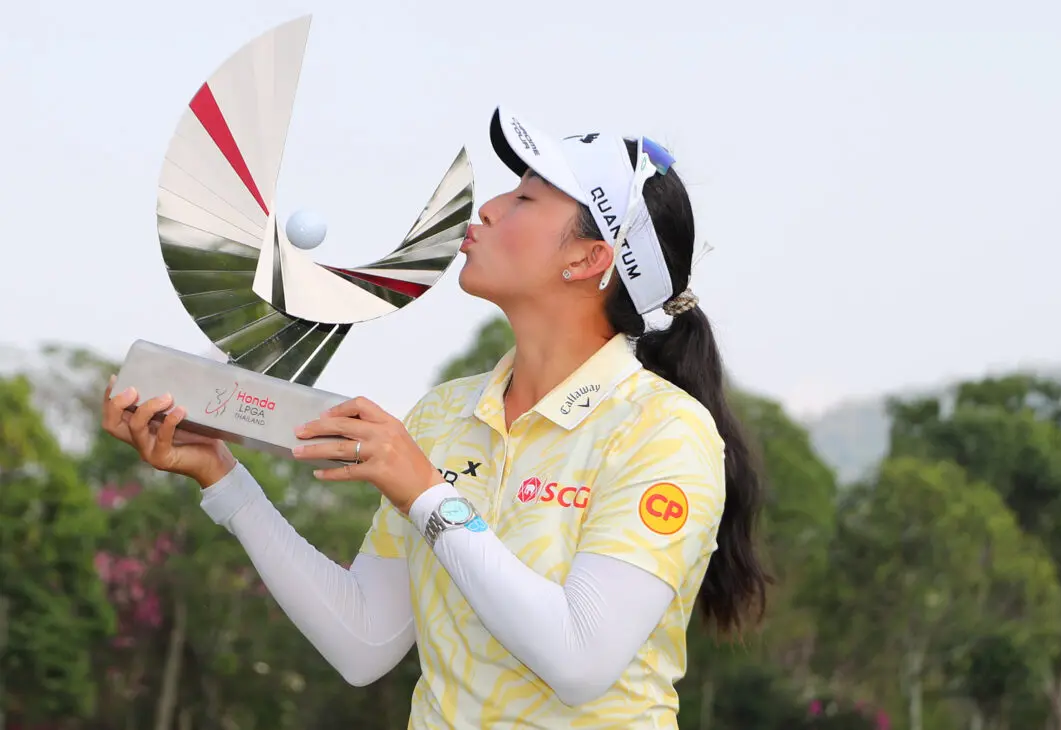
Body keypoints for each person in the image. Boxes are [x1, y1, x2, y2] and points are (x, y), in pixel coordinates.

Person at [101, 106, 770, 729]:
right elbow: (363, 640)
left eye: (525, 199)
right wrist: (222, 477)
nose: (488, 207)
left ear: (589, 258)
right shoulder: (446, 412)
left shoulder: (663, 431)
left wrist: (427, 492)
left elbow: (580, 662)